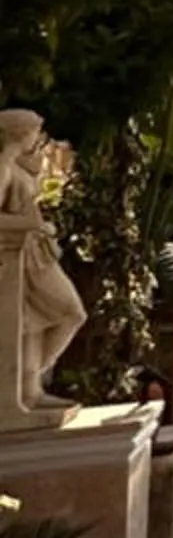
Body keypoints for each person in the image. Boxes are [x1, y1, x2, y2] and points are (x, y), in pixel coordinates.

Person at [0, 109, 85, 408]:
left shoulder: (22, 164)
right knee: (70, 311)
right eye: (34, 132)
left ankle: (30, 388)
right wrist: (33, 225)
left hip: (38, 251)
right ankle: (26, 383)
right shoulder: (5, 165)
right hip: (22, 254)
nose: (38, 138)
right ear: (20, 133)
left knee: (35, 323)